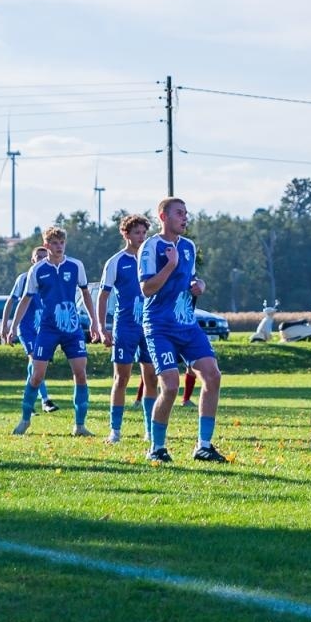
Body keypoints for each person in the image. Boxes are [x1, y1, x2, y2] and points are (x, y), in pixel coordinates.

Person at [140, 197, 226, 462]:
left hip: (187, 325)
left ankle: (204, 445)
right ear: (163, 217)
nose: (185, 217)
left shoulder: (188, 246)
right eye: (179, 213)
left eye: (186, 213)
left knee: (212, 376)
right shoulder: (151, 246)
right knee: (171, 385)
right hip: (160, 326)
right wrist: (170, 265)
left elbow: (191, 280)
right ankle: (156, 447)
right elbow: (147, 288)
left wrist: (199, 284)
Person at [4, 227, 98, 436]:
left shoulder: (76, 266)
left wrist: (94, 322)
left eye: (61, 243)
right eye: (54, 243)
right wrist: (12, 327)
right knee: (36, 376)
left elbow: (85, 293)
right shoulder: (37, 270)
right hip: (47, 329)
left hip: (72, 328)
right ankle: (25, 420)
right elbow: (25, 300)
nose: (59, 247)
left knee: (81, 374)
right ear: (46, 246)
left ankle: (80, 425)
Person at [96, 213, 156, 444]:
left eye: (144, 233)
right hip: (126, 327)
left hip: (150, 327)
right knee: (121, 378)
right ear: (126, 234)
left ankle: (151, 430)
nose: (141, 237)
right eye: (137, 233)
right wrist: (102, 328)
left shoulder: (152, 259)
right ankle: (115, 431)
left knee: (151, 378)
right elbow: (103, 296)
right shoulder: (116, 262)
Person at [9, 246, 56, 412]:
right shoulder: (24, 279)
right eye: (39, 256)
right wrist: (7, 327)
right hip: (26, 328)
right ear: (32, 260)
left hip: (42, 330)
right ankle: (45, 400)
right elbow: (11, 301)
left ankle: (28, 400)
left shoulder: (49, 277)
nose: (42, 259)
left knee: (34, 365)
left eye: (45, 256)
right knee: (35, 361)